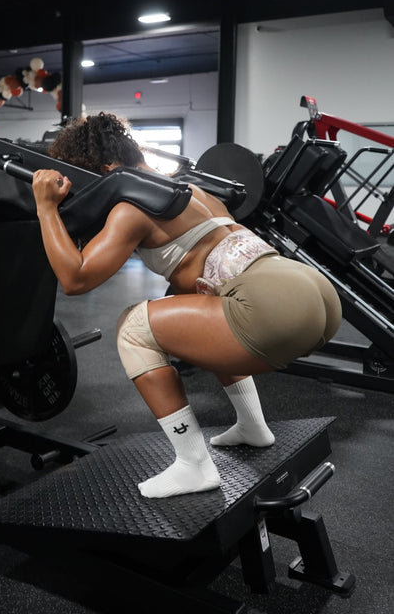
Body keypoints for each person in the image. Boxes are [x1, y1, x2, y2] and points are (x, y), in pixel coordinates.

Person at [32, 112, 342, 499]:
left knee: (132, 327)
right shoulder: (195, 189)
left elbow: (75, 278)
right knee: (196, 309)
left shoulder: (132, 208)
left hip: (275, 307)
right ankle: (252, 425)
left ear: (108, 170)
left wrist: (46, 208)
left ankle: (192, 464)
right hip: (314, 291)